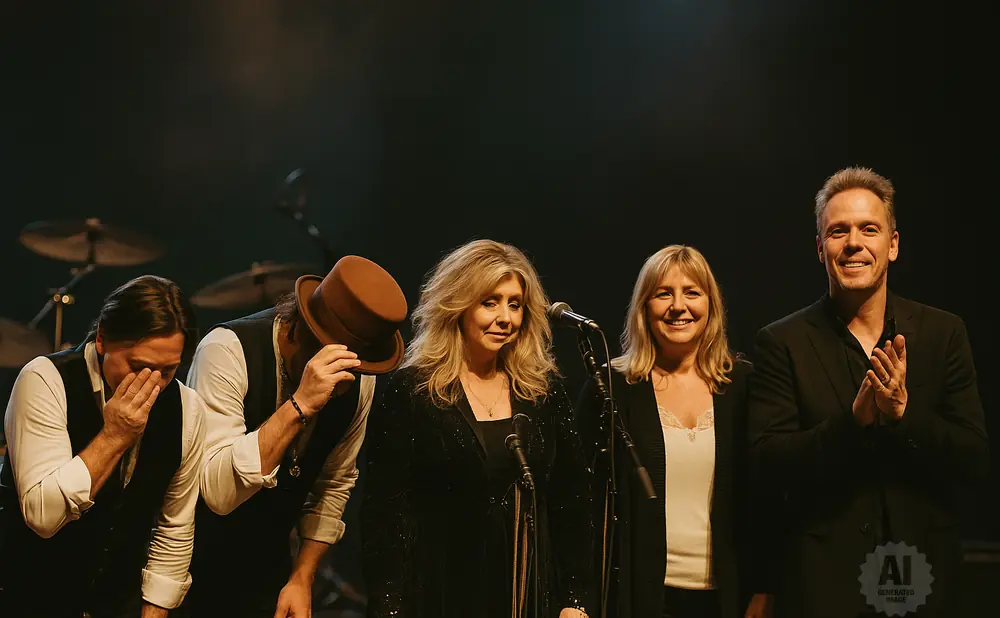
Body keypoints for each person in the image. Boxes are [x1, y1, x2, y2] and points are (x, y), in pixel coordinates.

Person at [747, 167, 988, 617]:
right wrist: (852, 424)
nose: (853, 243)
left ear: (892, 245)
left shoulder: (943, 333)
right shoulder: (782, 342)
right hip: (823, 588)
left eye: (868, 229)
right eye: (838, 231)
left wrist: (903, 416)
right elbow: (768, 466)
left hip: (923, 582)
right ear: (820, 248)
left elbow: (973, 459)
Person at [361, 239, 594, 618]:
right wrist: (389, 608)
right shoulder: (414, 390)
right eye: (490, 302)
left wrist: (575, 599)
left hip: (527, 592)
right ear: (458, 306)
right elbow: (384, 513)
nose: (505, 318)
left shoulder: (542, 390)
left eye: (515, 304)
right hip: (439, 592)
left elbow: (571, 499)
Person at [184, 255, 408, 617]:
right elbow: (218, 494)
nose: (346, 373)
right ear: (303, 330)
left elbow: (335, 481)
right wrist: (300, 404)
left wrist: (303, 576)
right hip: (189, 568)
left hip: (268, 569)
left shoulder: (359, 376)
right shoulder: (226, 349)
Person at [578, 245, 775, 618]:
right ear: (644, 307)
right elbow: (580, 501)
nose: (678, 306)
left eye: (692, 293)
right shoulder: (611, 387)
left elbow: (767, 498)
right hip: (640, 598)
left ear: (711, 305)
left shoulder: (744, 385)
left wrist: (766, 586)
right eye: (663, 294)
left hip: (729, 598)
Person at [0, 275, 205, 617]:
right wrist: (114, 436)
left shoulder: (188, 407)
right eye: (139, 367)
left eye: (168, 371)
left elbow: (175, 525)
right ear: (101, 339)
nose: (153, 385)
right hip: (31, 597)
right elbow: (43, 516)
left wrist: (156, 608)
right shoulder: (45, 379)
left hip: (117, 602)